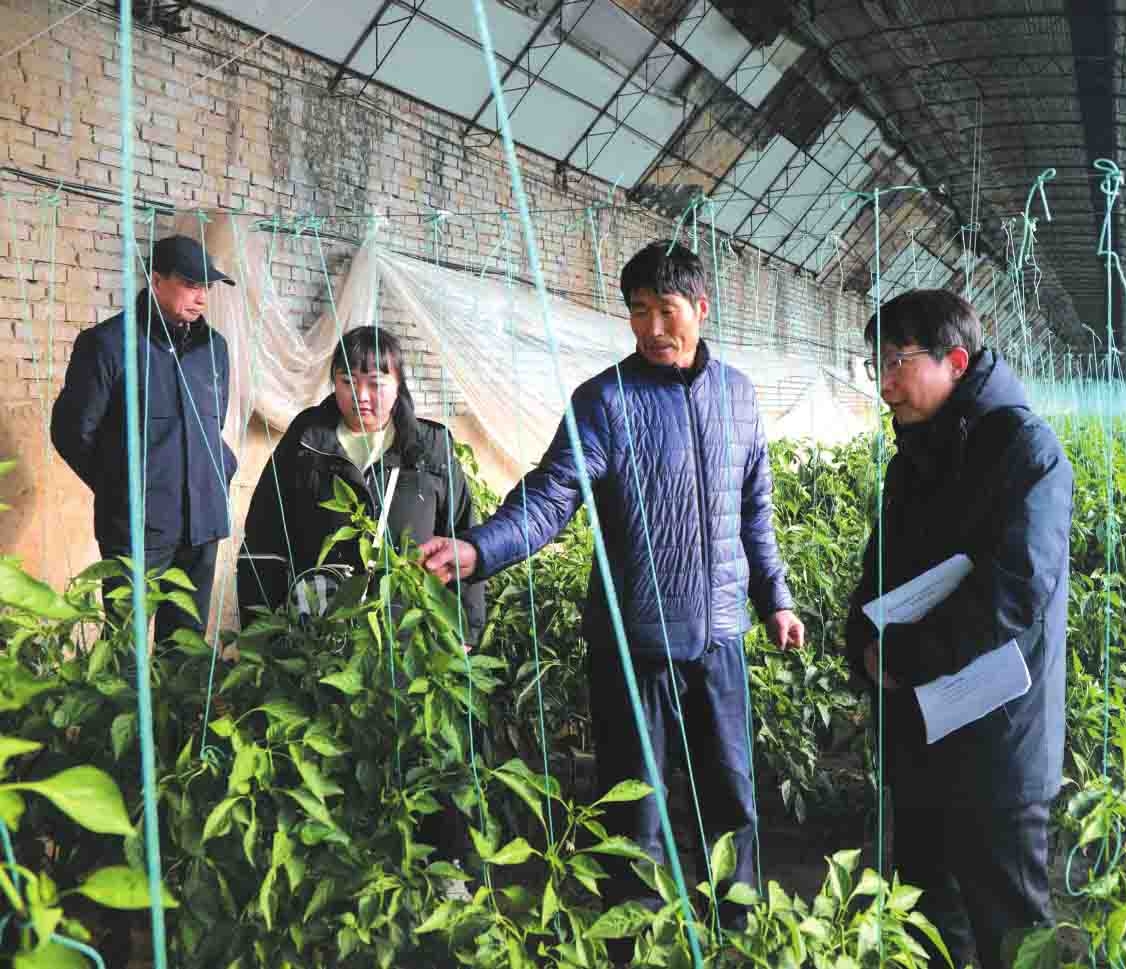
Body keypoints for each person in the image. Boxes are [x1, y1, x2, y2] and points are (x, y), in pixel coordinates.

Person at [419, 240, 805, 928]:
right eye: (637, 311)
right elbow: (550, 497)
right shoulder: (604, 401)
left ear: (701, 308)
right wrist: (480, 548)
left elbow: (754, 511)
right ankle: (634, 942)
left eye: (666, 310)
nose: (652, 328)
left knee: (732, 804)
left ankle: (737, 935)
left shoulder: (738, 396)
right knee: (634, 818)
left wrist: (774, 599)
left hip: (720, 640)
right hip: (633, 646)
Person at [843, 290, 1072, 969]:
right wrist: (861, 639)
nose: (884, 385)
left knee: (1010, 930)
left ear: (956, 361)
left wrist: (906, 656)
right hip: (920, 731)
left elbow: (1015, 587)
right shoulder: (912, 456)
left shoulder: (1026, 451)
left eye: (896, 363)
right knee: (924, 921)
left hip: (996, 740)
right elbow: (882, 568)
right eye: (876, 365)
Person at [236, 326, 485, 646]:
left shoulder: (429, 446)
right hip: (315, 630)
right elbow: (265, 533)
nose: (360, 396)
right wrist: (260, 629)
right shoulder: (307, 439)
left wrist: (465, 630)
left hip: (405, 632)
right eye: (347, 382)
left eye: (375, 384)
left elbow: (461, 534)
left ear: (398, 384)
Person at [52, 234, 238, 644]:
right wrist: (124, 487)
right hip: (137, 527)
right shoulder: (108, 345)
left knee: (186, 644)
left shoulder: (214, 349)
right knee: (125, 642)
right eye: (191, 284)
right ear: (156, 280)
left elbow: (214, 425)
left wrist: (220, 472)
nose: (202, 297)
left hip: (203, 523)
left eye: (207, 287)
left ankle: (179, 693)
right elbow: (71, 432)